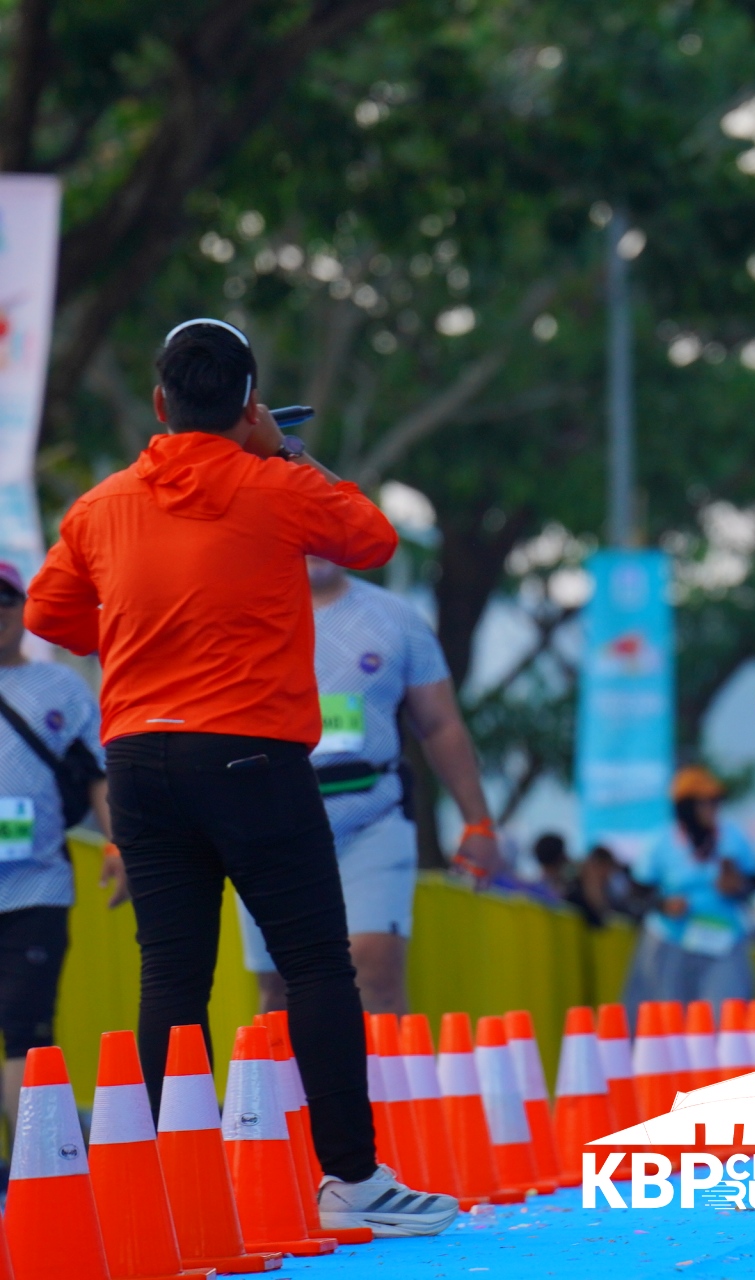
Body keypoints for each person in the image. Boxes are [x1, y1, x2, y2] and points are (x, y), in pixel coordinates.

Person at [25, 318, 455, 1235]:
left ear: (159, 402)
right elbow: (372, 539)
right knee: (316, 967)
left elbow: (48, 613)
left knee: (172, 976)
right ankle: (352, 1180)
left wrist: (143, 637)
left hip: (140, 760)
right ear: (251, 405)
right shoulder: (276, 485)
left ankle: (148, 1187)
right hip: (253, 756)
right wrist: (286, 452)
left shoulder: (101, 505)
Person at [236, 556, 499, 1015]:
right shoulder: (237, 617)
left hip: (372, 817)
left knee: (375, 971)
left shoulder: (397, 619)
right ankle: (292, 1068)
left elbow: (440, 724)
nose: (316, 546)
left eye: (327, 529)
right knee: (279, 987)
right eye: (304, 531)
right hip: (270, 824)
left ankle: (383, 1067)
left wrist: (477, 822)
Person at [0, 560, 115, 1147]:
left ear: (23, 609)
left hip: (37, 885)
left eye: (4, 600)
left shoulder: (62, 689)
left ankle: (37, 1168)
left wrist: (121, 843)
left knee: (26, 1029)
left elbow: (99, 774)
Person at [622, 765, 755, 1008]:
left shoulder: (732, 837)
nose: (713, 809)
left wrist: (738, 886)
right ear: (685, 808)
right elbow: (636, 893)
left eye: (716, 802)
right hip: (671, 940)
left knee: (727, 1014)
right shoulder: (660, 842)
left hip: (724, 942)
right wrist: (663, 905)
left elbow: (754, 882)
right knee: (669, 1015)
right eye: (705, 803)